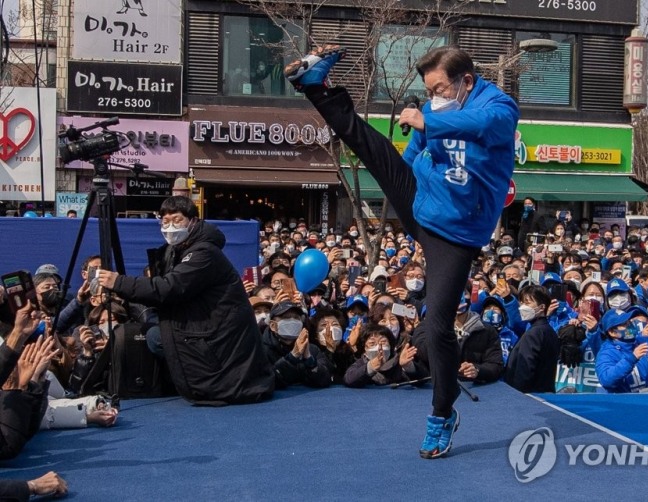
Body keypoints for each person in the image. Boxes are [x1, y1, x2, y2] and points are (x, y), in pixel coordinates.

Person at [285, 44, 519, 458]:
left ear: (466, 81)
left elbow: (484, 124)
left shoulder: (498, 107)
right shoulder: (436, 110)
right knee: (371, 148)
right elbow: (412, 157)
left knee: (438, 325)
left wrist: (428, 118)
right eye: (428, 92)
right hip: (422, 203)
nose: (433, 98)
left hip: (456, 233)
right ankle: (317, 87)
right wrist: (399, 164)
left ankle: (442, 412)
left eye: (440, 89)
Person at [96, 196, 275, 405]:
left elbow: (168, 287)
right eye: (165, 221)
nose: (170, 226)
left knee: (156, 337)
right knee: (152, 334)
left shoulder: (204, 253)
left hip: (220, 339)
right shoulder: (177, 251)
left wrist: (118, 282)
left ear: (193, 221)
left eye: (177, 220)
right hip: (205, 328)